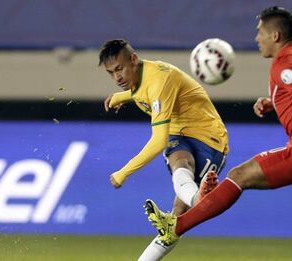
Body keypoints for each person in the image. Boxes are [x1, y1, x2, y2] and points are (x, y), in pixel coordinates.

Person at [144, 6, 292, 261]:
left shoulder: (285, 64)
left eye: (260, 32)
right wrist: (275, 101)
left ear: (276, 36)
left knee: (239, 176)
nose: (257, 38)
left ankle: (177, 227)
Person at [98, 39, 228, 260]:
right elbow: (141, 92)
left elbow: (158, 141)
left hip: (209, 138)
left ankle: (197, 199)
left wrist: (123, 173)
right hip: (180, 134)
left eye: (119, 69)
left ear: (133, 59)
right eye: (111, 73)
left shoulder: (159, 80)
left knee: (177, 217)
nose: (117, 77)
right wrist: (121, 96)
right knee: (172, 223)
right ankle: (198, 197)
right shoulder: (140, 78)